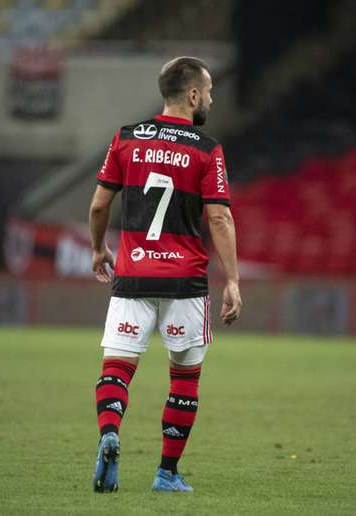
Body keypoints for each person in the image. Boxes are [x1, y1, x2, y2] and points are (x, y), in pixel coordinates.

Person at [88, 56, 242, 493]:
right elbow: (219, 219)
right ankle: (166, 473)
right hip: (186, 281)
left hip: (132, 274)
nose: (210, 97)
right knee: (184, 378)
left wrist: (100, 249)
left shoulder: (126, 138)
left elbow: (100, 205)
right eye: (208, 91)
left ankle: (110, 434)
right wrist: (232, 279)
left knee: (116, 368)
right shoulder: (206, 149)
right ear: (193, 94)